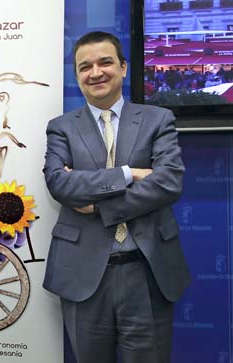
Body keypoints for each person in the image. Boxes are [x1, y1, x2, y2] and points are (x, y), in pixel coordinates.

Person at [42, 31, 190, 363]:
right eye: (85, 66)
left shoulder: (158, 119)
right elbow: (59, 185)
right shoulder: (61, 127)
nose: (95, 72)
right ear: (77, 76)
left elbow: (169, 182)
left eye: (105, 62)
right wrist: (129, 173)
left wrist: (99, 203)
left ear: (123, 67)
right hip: (82, 275)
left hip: (147, 273)